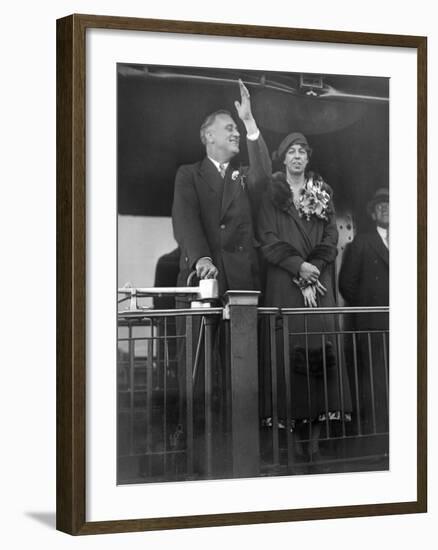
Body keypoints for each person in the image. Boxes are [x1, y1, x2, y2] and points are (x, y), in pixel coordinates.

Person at [257, 132, 352, 463]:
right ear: (282, 158)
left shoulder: (322, 191)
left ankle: (314, 442)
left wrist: (315, 269)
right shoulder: (271, 192)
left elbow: (330, 235)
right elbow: (266, 238)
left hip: (319, 284)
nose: (297, 156)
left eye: (302, 152)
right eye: (291, 152)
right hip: (285, 282)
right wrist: (300, 269)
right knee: (288, 358)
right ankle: (292, 446)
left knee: (319, 359)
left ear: (308, 158)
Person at [172, 79, 271, 297]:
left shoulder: (244, 175)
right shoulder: (188, 175)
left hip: (243, 280)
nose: (236, 133)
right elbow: (185, 221)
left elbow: (263, 176)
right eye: (229, 128)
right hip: (204, 277)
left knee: (243, 332)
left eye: (237, 129)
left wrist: (248, 121)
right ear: (209, 136)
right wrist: (202, 258)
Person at [339, 188, 389, 444]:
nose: (385, 208)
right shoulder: (361, 242)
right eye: (380, 204)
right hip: (373, 326)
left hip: (405, 327)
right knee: (376, 384)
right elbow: (346, 284)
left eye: (390, 203)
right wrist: (371, 306)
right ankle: (377, 439)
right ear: (372, 212)